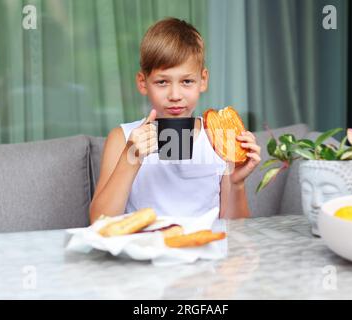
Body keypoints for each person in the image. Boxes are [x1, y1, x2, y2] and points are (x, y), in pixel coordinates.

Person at [89, 17, 261, 223]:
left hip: (204, 249)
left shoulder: (218, 139)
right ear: (143, 83)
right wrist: (130, 158)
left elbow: (237, 231)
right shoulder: (122, 138)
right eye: (162, 82)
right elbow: (98, 222)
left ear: (203, 80)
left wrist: (236, 184)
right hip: (145, 251)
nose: (175, 95)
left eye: (187, 81)